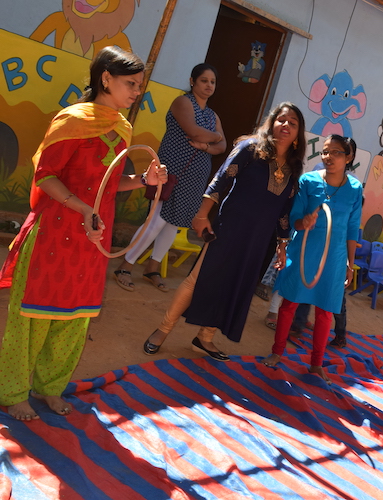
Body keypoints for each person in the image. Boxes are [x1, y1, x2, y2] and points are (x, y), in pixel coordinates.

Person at [0, 46, 167, 420]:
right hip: (54, 233)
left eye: (140, 85)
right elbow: (47, 176)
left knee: (75, 318)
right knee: (32, 317)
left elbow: (110, 183)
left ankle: (50, 389)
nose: (136, 91)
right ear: (105, 78)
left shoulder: (123, 128)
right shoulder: (71, 120)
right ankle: (13, 392)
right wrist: (81, 208)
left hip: (92, 240)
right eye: (131, 84)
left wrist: (143, 180)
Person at [142, 102, 306, 359]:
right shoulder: (250, 148)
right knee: (197, 279)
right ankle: (162, 330)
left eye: (293, 123)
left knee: (234, 287)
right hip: (229, 227)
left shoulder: (294, 169)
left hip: (259, 241)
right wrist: (202, 214)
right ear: (271, 123)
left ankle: (204, 338)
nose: (286, 125)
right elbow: (222, 178)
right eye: (281, 120)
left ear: (299, 134)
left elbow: (284, 212)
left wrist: (282, 246)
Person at [114, 63, 226, 292]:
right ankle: (125, 266)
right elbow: (194, 131)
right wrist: (214, 137)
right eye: (204, 80)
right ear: (192, 81)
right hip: (171, 170)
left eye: (212, 82)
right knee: (156, 219)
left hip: (195, 176)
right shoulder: (183, 102)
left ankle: (151, 267)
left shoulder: (212, 114)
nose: (208, 85)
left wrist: (206, 145)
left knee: (173, 224)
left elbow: (222, 146)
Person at [263, 135, 363, 383]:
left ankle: (316, 364)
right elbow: (294, 216)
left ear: (348, 157)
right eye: (325, 152)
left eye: (336, 152)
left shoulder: (355, 189)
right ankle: (277, 352)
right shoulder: (308, 181)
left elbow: (353, 228)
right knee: (289, 304)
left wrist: (351, 263)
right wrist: (303, 222)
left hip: (335, 258)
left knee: (325, 311)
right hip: (304, 251)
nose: (328, 157)